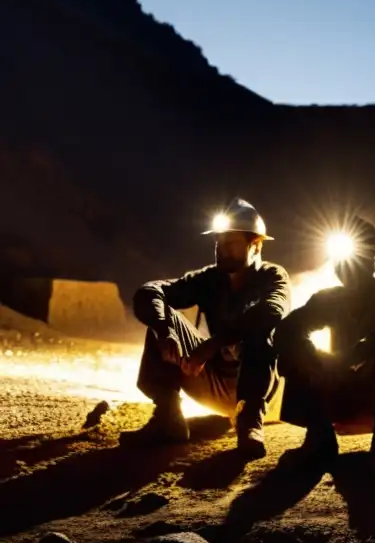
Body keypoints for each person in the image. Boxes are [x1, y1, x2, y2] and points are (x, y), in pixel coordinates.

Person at [120, 197, 291, 459]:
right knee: (161, 317)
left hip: (257, 387)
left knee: (260, 334)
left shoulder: (273, 277)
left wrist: (210, 345)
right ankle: (168, 418)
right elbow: (150, 292)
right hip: (211, 381)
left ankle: (250, 426)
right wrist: (165, 331)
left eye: (230, 244)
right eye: (218, 244)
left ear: (255, 244)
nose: (222, 251)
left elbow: (271, 312)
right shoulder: (210, 279)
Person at [275, 217, 375, 472]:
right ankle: (319, 436)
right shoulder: (329, 299)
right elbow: (287, 330)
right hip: (342, 389)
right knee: (294, 346)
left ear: (371, 261)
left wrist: (359, 352)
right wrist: (315, 360)